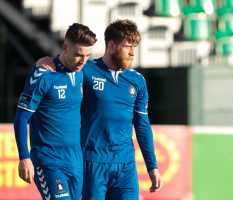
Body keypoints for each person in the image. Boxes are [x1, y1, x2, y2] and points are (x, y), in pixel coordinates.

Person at [37, 19, 161, 200]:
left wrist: (152, 166)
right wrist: (46, 62)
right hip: (91, 163)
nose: (133, 52)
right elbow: (62, 65)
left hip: (125, 165)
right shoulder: (86, 70)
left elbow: (142, 125)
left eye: (134, 47)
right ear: (111, 45)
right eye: (128, 46)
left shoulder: (137, 81)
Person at [14, 23, 97, 200]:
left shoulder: (81, 72)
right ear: (65, 47)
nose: (83, 61)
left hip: (75, 160)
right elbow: (21, 117)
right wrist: (24, 157)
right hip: (48, 159)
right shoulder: (43, 75)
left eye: (87, 56)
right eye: (78, 55)